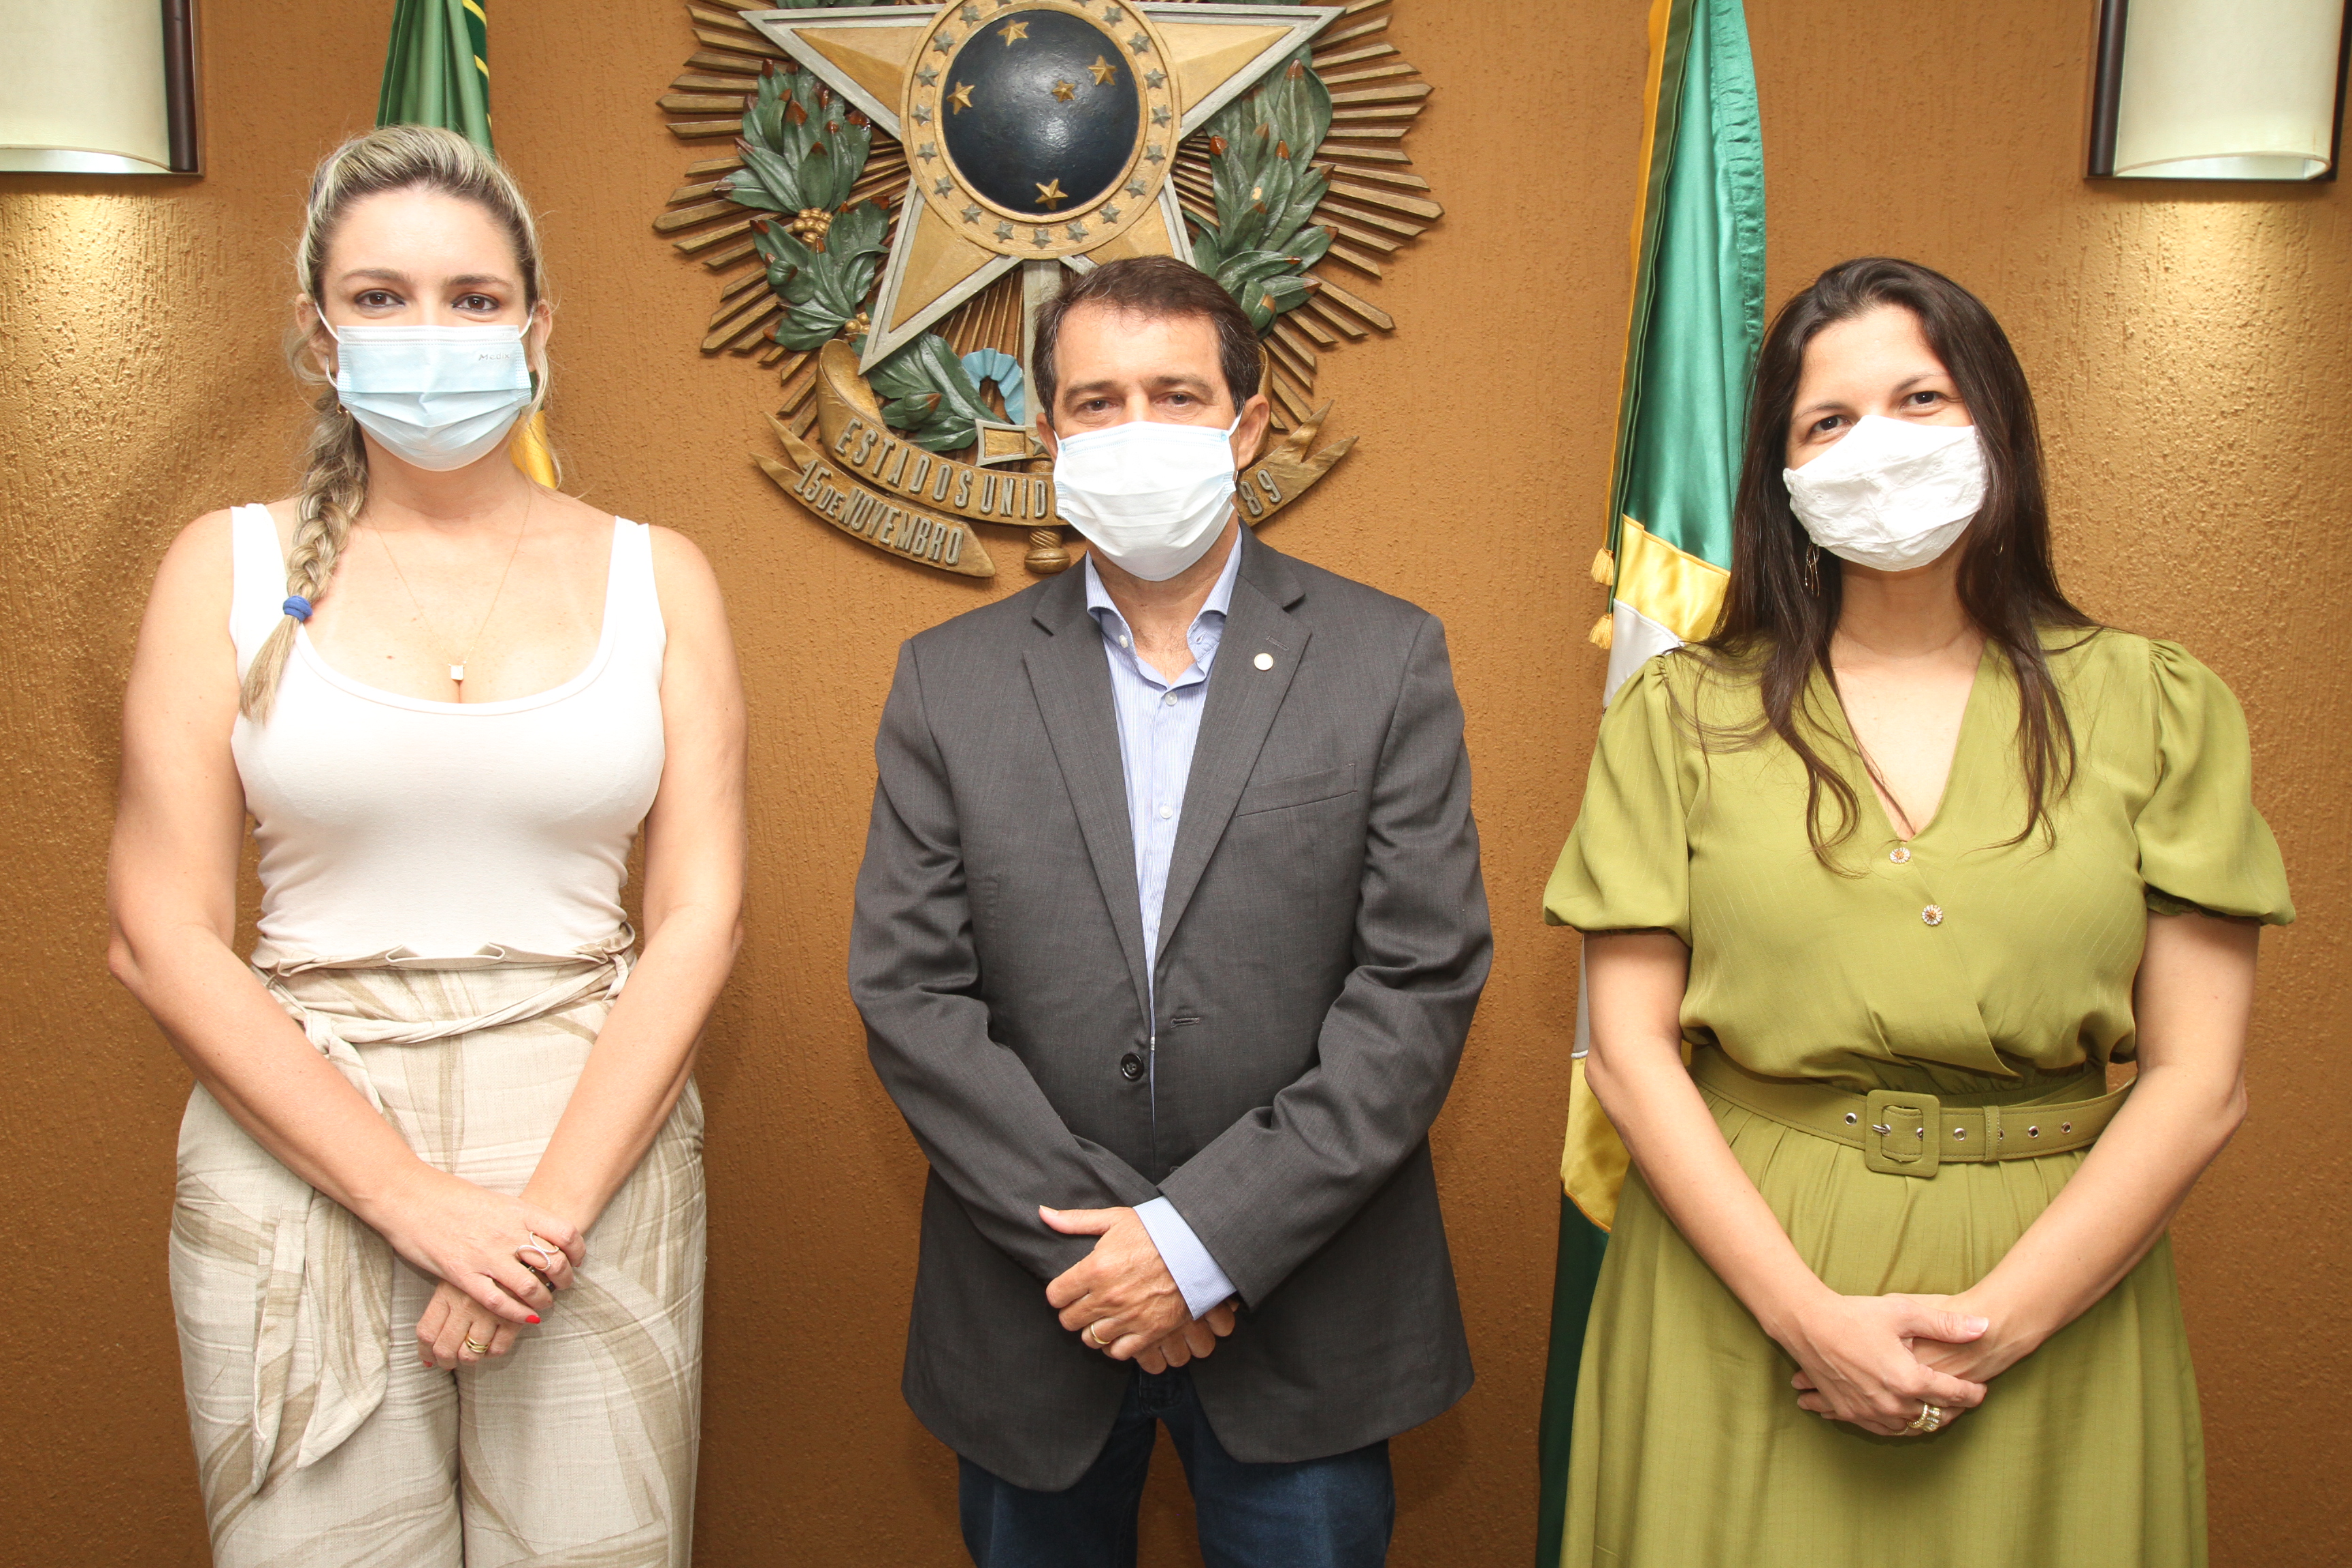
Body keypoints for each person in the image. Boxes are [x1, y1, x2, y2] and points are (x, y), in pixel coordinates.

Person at [1546, 256, 2293, 1567]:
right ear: (1781, 473)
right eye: (1827, 421)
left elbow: (2199, 1081)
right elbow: (1630, 1053)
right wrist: (1808, 1320)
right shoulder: (1679, 715)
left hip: (2054, 1290)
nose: (1875, 446)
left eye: (1920, 400)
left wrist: (1991, 1331)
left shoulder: (2159, 705)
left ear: (1995, 421)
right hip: (1743, 1286)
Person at [107, 125, 745, 1566]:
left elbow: (700, 920)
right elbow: (158, 932)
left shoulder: (661, 577)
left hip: (590, 1141)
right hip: (300, 1131)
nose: (431, 332)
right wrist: (415, 1204)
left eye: (473, 298)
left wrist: (539, 1223)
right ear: (319, 334)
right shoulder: (223, 568)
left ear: (537, 330)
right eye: (381, 298)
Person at [849, 255, 1491, 1567]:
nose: (1134, 427)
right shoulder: (947, 681)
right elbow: (912, 997)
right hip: (1042, 1305)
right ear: (1049, 436)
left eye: (1176, 395)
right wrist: (1122, 1258)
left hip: (1306, 1311)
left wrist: (1205, 1242)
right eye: (1097, 402)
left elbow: (1419, 984)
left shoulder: (1386, 658)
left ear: (1246, 426)